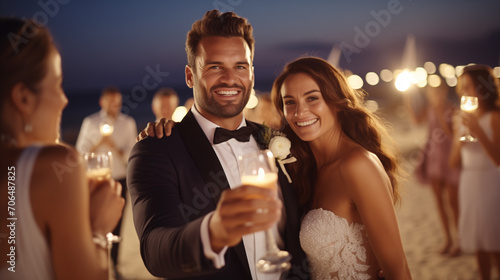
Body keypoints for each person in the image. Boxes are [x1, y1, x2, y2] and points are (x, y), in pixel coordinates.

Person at [127, 10, 308, 279]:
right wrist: (214, 232)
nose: (229, 78)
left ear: (252, 75)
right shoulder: (155, 150)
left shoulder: (277, 141)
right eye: (214, 67)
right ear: (190, 76)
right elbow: (155, 251)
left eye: (240, 66)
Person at [0, 18, 124, 280]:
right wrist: (98, 230)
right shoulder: (54, 165)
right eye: (57, 85)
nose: (64, 100)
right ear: (23, 97)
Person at [271, 57, 411, 279]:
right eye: (290, 102)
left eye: (312, 98)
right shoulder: (305, 169)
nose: (299, 112)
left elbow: (398, 269)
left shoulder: (357, 165)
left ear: (336, 102)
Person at [75, 86, 137, 275]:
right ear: (102, 102)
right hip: (95, 180)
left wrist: (115, 147)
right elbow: (80, 153)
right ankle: (92, 264)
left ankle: (115, 265)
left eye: (118, 100)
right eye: (111, 100)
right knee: (92, 222)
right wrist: (98, 143)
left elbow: (132, 155)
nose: (116, 104)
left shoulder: (127, 123)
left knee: (117, 222)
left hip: (119, 179)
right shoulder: (91, 122)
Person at [449, 64, 500, 280]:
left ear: (482, 87)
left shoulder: (495, 117)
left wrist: (478, 130)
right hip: (468, 181)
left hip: (491, 180)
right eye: (462, 87)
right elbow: (452, 162)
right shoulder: (459, 119)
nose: (464, 92)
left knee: (494, 242)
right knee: (478, 241)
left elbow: (498, 159)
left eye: (469, 86)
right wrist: (461, 141)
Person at [403, 79, 461, 256]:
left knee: (453, 203)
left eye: (438, 92)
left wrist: (441, 112)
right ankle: (448, 240)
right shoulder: (428, 110)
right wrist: (406, 96)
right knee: (439, 202)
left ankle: (459, 240)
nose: (435, 95)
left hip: (449, 158)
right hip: (434, 158)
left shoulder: (452, 109)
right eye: (432, 93)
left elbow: (452, 134)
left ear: (444, 92)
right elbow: (415, 120)